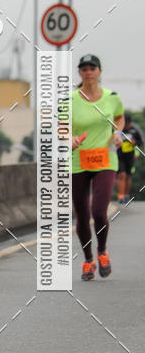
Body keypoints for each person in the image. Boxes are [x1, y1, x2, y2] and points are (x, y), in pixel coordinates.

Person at [69, 54, 124, 281]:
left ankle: (102, 251)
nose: (88, 72)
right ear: (80, 73)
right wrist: (69, 138)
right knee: (81, 214)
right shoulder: (70, 100)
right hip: (78, 160)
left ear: (99, 71)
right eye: (84, 68)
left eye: (92, 68)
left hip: (105, 159)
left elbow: (120, 118)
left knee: (98, 211)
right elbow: (61, 126)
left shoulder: (112, 98)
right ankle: (88, 260)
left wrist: (118, 132)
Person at [116, 112, 143, 204]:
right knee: (121, 175)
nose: (127, 125)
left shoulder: (134, 130)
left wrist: (134, 142)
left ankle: (126, 195)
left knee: (128, 176)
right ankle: (120, 196)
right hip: (119, 156)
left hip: (130, 156)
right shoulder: (118, 129)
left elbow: (140, 142)